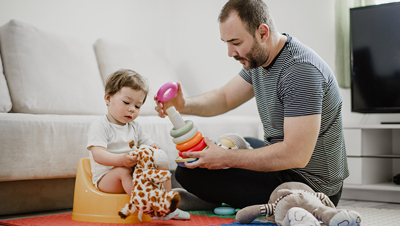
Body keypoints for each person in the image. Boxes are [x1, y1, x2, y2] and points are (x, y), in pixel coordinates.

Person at [155, 0, 349, 210]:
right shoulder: (260, 58)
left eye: (236, 43)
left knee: (190, 172)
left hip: (311, 185)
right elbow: (225, 98)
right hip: (288, 165)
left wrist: (225, 159)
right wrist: (184, 104)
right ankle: (215, 196)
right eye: (226, 43)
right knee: (237, 142)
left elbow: (296, 155)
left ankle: (212, 197)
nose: (230, 52)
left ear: (263, 33)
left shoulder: (300, 70)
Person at [87, 69, 189, 220]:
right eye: (127, 102)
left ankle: (168, 205)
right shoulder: (101, 125)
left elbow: (150, 144)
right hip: (107, 179)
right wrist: (122, 160)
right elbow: (98, 155)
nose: (131, 109)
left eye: (137, 106)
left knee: (161, 163)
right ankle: (148, 207)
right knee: (123, 170)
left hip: (134, 172)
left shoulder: (134, 126)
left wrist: (155, 150)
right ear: (108, 99)